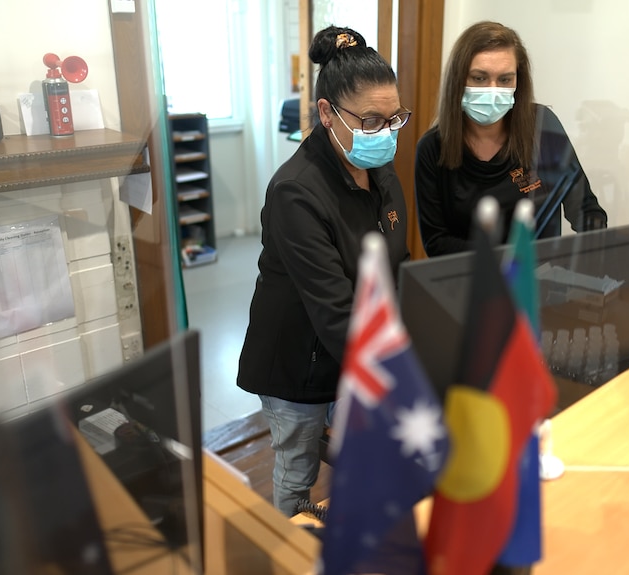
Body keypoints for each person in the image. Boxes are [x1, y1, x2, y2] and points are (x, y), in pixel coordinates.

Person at [236, 25, 412, 517]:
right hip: (299, 356)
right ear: (326, 113)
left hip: (357, 350)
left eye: (394, 118)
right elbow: (334, 312)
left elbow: (397, 266)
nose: (387, 131)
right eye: (372, 120)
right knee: (298, 473)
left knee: (364, 458)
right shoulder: (295, 191)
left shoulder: (380, 170)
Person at [414, 21, 608, 257]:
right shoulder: (432, 148)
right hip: (471, 282)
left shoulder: (542, 126)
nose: (493, 90)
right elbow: (437, 242)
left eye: (505, 80)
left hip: (541, 282)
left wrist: (599, 246)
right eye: (479, 78)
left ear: (518, 81)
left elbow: (584, 208)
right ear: (458, 80)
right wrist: (510, 260)